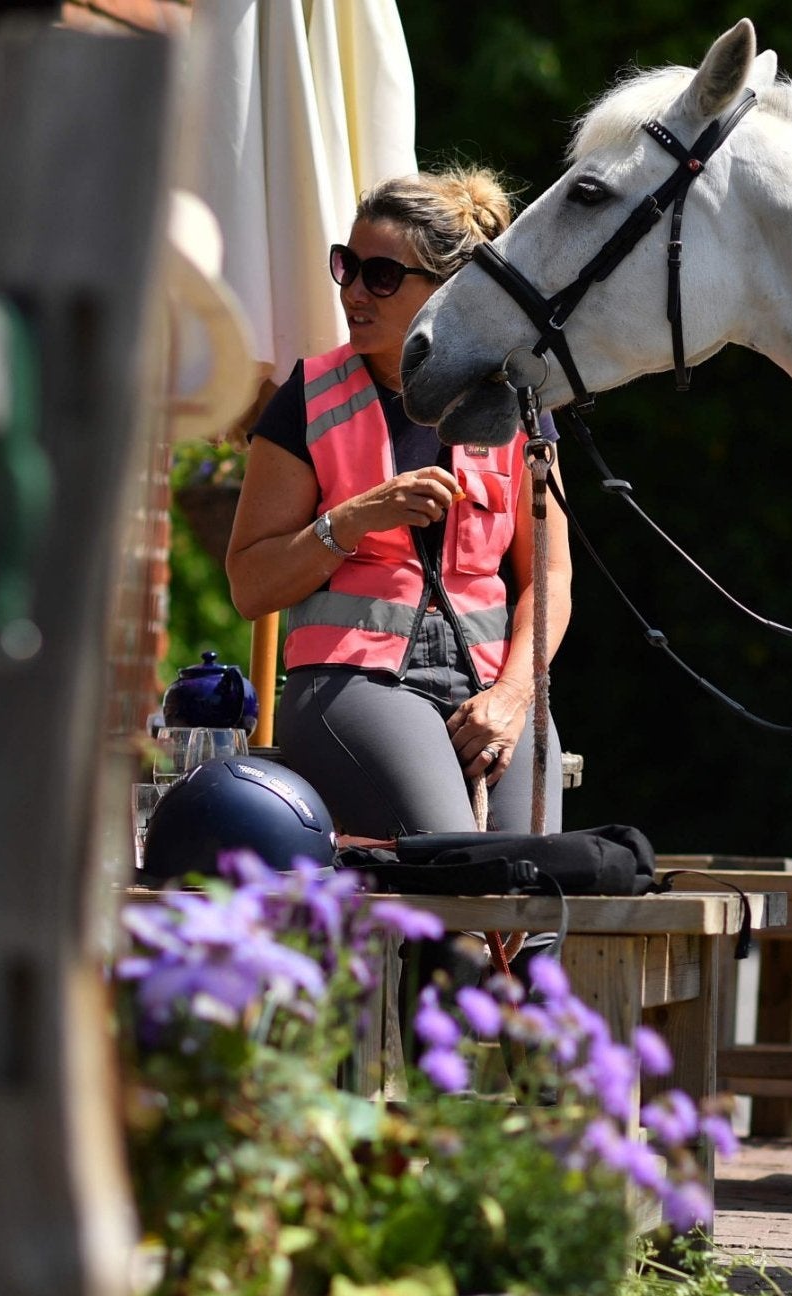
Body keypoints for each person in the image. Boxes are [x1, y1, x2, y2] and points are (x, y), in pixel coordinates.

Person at [227, 169, 572, 839]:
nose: (354, 290)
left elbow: (550, 577)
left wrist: (512, 695)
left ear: (444, 286)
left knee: (537, 888)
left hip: (495, 684)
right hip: (352, 680)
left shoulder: (517, 399)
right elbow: (249, 583)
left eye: (381, 276)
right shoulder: (307, 397)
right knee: (457, 866)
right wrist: (351, 519)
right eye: (347, 266)